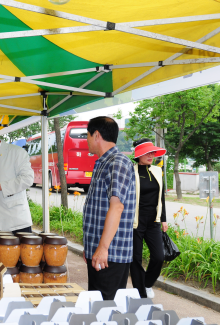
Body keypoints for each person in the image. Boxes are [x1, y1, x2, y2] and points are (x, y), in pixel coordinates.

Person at [82, 116, 136, 300]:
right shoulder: (103, 162)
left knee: (106, 310)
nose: (86, 140)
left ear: (96, 135)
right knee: (97, 307)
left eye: (87, 135)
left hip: (110, 255)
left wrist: (103, 248)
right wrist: (91, 249)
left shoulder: (117, 162)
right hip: (99, 252)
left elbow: (117, 207)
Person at [130, 138, 168, 299]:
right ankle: (140, 293)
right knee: (136, 258)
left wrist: (163, 218)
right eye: (148, 152)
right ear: (139, 155)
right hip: (136, 222)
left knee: (159, 257)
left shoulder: (157, 171)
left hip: (154, 221)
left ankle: (146, 284)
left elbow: (161, 198)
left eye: (153, 152)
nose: (151, 155)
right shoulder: (131, 172)